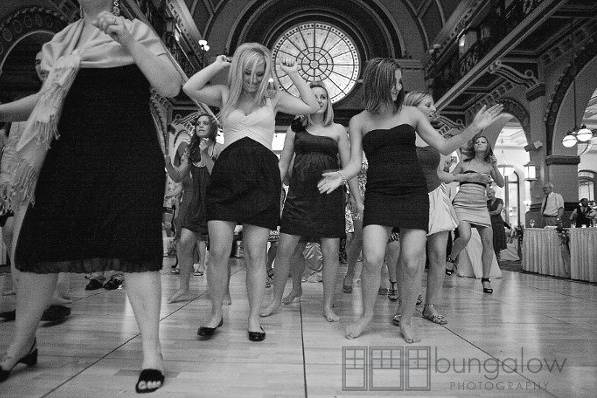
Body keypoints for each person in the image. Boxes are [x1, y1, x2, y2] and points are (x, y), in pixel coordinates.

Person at [0, 2, 181, 393]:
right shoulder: (61, 41)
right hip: (68, 157)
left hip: (129, 155)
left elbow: (169, 85)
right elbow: (48, 102)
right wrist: (2, 111)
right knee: (36, 247)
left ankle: (152, 353)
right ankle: (20, 345)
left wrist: (130, 40)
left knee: (137, 249)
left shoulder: (136, 29)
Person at [318, 58, 503, 343]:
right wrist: (340, 175)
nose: (399, 86)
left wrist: (474, 128)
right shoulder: (359, 121)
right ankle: (366, 316)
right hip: (379, 194)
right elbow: (355, 163)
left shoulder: (412, 114)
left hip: (413, 193)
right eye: (395, 80)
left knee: (412, 261)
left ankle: (406, 318)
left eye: (401, 81)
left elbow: (443, 145)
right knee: (373, 258)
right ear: (380, 82)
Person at [182, 43, 318, 341]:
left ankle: (254, 318)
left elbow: (312, 106)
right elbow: (190, 87)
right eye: (247, 72)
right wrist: (218, 64)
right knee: (218, 252)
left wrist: (294, 74)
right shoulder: (223, 95)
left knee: (256, 254)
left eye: (260, 73)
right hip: (226, 175)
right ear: (238, 69)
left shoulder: (274, 98)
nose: (254, 79)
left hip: (261, 178)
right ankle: (215, 313)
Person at [260, 81, 362, 321]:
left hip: (329, 198)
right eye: (314, 96)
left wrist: (358, 200)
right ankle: (279, 298)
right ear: (305, 102)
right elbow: (284, 162)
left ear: (328, 103)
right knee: (285, 250)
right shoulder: (296, 128)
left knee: (330, 252)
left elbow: (349, 167)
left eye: (323, 97)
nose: (319, 100)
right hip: (299, 196)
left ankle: (327, 306)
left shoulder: (338, 129)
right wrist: (271, 189)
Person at [0, 52, 71, 323]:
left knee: (54, 241)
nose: (42, 66)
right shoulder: (23, 110)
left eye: (48, 60)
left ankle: (57, 301)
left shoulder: (68, 104)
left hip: (53, 183)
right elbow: (11, 148)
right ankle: (26, 303)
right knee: (13, 237)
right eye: (37, 61)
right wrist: (5, 180)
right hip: (23, 184)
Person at [165, 114, 222, 303]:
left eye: (205, 123)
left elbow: (218, 177)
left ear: (212, 127)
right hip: (195, 203)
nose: (200, 126)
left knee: (218, 251)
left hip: (215, 203)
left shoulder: (219, 148)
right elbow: (179, 176)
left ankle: (224, 291)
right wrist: (167, 161)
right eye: (198, 123)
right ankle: (184, 289)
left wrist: (206, 154)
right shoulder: (191, 150)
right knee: (184, 242)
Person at [446, 135, 505, 294]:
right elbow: (449, 178)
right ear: (474, 146)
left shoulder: (489, 165)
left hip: (480, 206)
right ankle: (452, 258)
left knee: (488, 243)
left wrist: (495, 167)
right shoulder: (464, 162)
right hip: (462, 203)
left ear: (487, 146)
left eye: (483, 141)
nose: (480, 143)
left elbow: (501, 183)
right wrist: (468, 176)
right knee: (464, 236)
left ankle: (486, 279)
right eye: (477, 142)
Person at [487, 187, 507, 260]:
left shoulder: (499, 200)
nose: (489, 195)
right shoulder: (487, 202)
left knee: (497, 239)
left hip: (498, 222)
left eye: (490, 193)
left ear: (494, 193)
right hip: (490, 222)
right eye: (488, 194)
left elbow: (497, 211)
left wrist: (488, 213)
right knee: (491, 239)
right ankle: (492, 257)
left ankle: (498, 257)